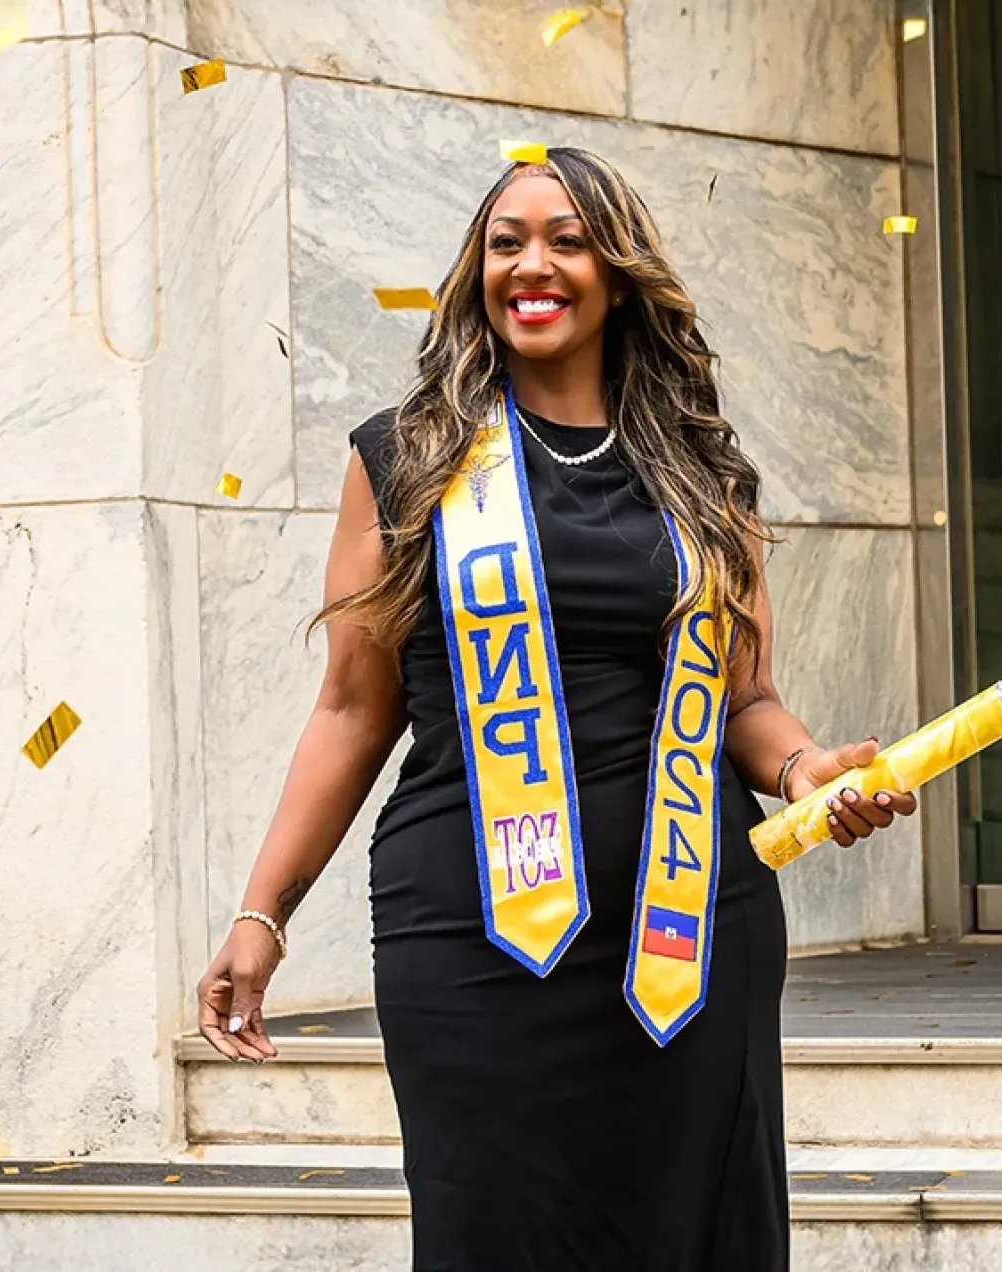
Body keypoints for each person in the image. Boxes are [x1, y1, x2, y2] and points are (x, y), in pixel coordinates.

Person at [197, 147, 917, 1271]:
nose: (532, 264)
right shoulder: (408, 463)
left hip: (686, 930)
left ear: (620, 275)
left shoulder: (701, 479)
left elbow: (749, 701)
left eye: (567, 240)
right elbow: (350, 708)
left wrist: (803, 772)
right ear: (477, 275)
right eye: (506, 242)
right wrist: (262, 915)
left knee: (691, 1231)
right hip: (477, 941)